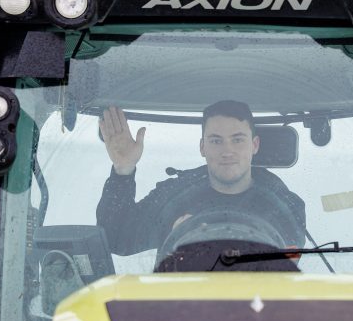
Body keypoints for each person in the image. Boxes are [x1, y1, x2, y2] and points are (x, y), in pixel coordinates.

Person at [95, 101, 306, 259]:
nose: (227, 151)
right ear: (202, 147)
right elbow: (116, 238)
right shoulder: (173, 197)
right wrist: (123, 169)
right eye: (216, 140)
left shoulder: (283, 205)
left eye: (238, 139)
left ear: (255, 145)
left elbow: (286, 263)